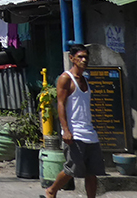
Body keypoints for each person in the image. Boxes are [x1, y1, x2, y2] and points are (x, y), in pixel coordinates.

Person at [45, 44, 106, 198]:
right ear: (72, 58)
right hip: (75, 133)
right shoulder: (66, 78)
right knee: (72, 168)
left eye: (86, 57)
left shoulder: (85, 80)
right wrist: (65, 130)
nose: (84, 60)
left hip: (89, 132)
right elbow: (60, 104)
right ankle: (52, 190)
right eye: (80, 57)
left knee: (92, 172)